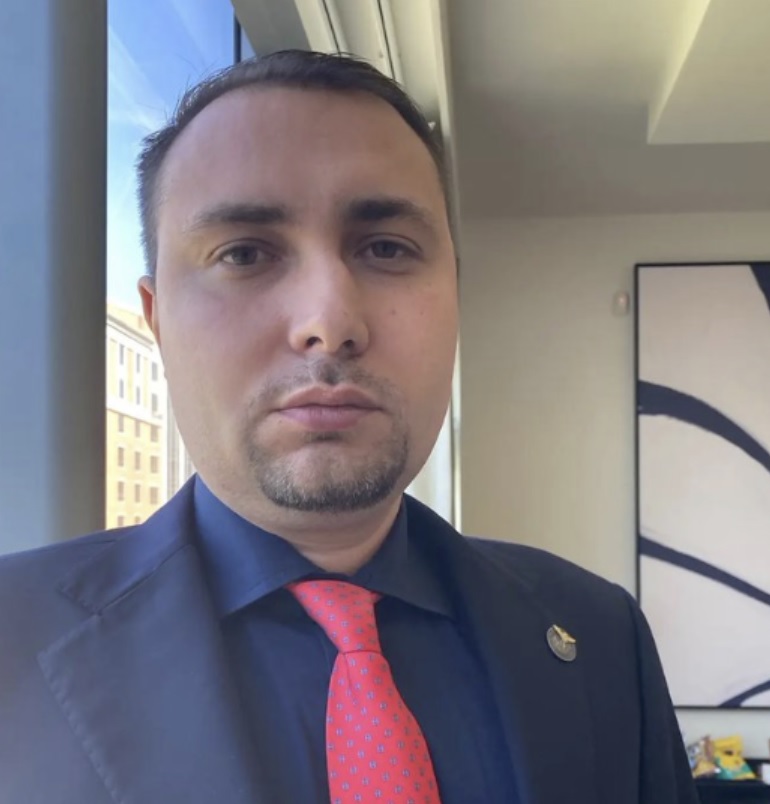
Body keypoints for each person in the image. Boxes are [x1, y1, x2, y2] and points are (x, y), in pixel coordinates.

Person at [0, 50, 697, 804]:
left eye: (386, 248)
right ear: (157, 319)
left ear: (455, 294)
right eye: (244, 253)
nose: (329, 322)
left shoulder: (601, 639)